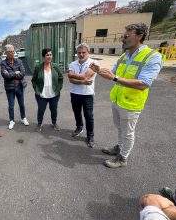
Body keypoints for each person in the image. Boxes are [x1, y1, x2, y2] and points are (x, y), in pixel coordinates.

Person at [90, 22, 163, 168]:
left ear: (139, 36)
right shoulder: (125, 55)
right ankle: (119, 147)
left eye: (126, 36)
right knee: (120, 128)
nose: (123, 39)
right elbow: (114, 74)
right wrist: (99, 71)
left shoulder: (152, 56)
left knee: (128, 132)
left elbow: (144, 84)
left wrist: (115, 78)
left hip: (132, 103)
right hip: (118, 99)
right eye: (123, 36)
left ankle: (122, 158)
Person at [68, 43, 97, 148]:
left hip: (87, 94)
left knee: (88, 115)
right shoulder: (72, 64)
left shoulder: (93, 63)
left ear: (88, 52)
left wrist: (73, 75)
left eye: (83, 52)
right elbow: (70, 79)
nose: (81, 54)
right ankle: (79, 127)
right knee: (77, 113)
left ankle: (90, 135)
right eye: (79, 52)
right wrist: (82, 81)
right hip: (75, 93)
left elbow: (86, 75)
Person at [31, 48, 63, 132]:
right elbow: (33, 80)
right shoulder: (38, 67)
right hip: (42, 95)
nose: (49, 56)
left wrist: (58, 88)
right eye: (47, 55)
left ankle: (54, 123)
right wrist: (36, 90)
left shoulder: (55, 66)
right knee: (41, 110)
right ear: (43, 56)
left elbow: (60, 78)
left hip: (54, 94)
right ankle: (39, 124)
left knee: (54, 110)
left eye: (50, 55)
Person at [1, 44, 29, 129]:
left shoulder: (19, 61)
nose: (12, 53)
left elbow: (23, 73)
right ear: (6, 52)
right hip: (10, 88)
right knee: (11, 106)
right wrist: (15, 73)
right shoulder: (3, 63)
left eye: (13, 51)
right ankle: (12, 120)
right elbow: (5, 75)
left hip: (19, 86)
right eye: (10, 51)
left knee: (22, 104)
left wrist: (11, 74)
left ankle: (23, 118)